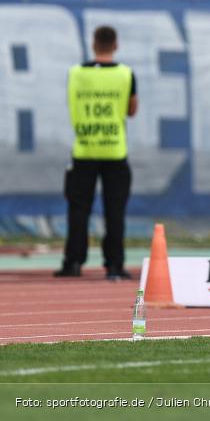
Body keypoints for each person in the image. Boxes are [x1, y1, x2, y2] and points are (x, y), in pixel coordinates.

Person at [54, 26, 138, 280]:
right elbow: (132, 110)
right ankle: (114, 265)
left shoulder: (75, 73)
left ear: (93, 44)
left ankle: (73, 262)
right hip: (114, 150)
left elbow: (72, 102)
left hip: (84, 149)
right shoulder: (125, 74)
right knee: (115, 211)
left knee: (78, 209)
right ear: (116, 45)